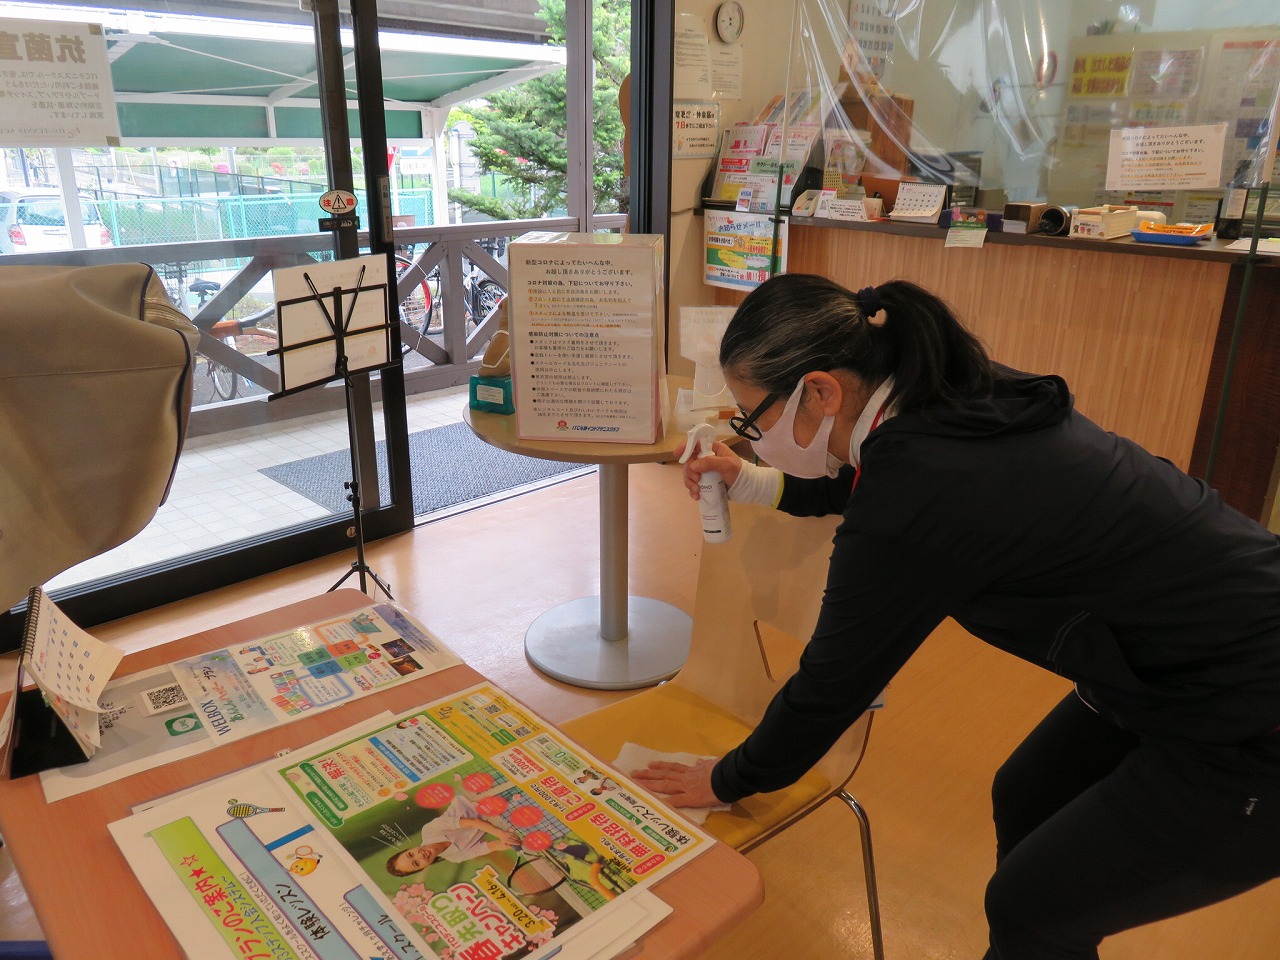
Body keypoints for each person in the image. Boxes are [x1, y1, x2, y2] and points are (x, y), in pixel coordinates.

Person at [631, 273, 1280, 960]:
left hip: (1250, 706)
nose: (749, 435)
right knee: (1027, 794)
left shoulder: (922, 484)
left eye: (750, 417)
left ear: (820, 392)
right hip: (1179, 649)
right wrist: (756, 480)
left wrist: (728, 778)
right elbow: (871, 483)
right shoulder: (947, 394)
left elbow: (834, 683)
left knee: (1031, 907)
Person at [386, 793, 521, 877]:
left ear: (409, 849)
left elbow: (473, 822)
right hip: (494, 815)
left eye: (410, 854)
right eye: (416, 863)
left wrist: (501, 834)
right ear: (422, 868)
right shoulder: (456, 857)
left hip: (476, 797)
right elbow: (491, 847)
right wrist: (510, 843)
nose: (419, 855)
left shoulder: (429, 830)